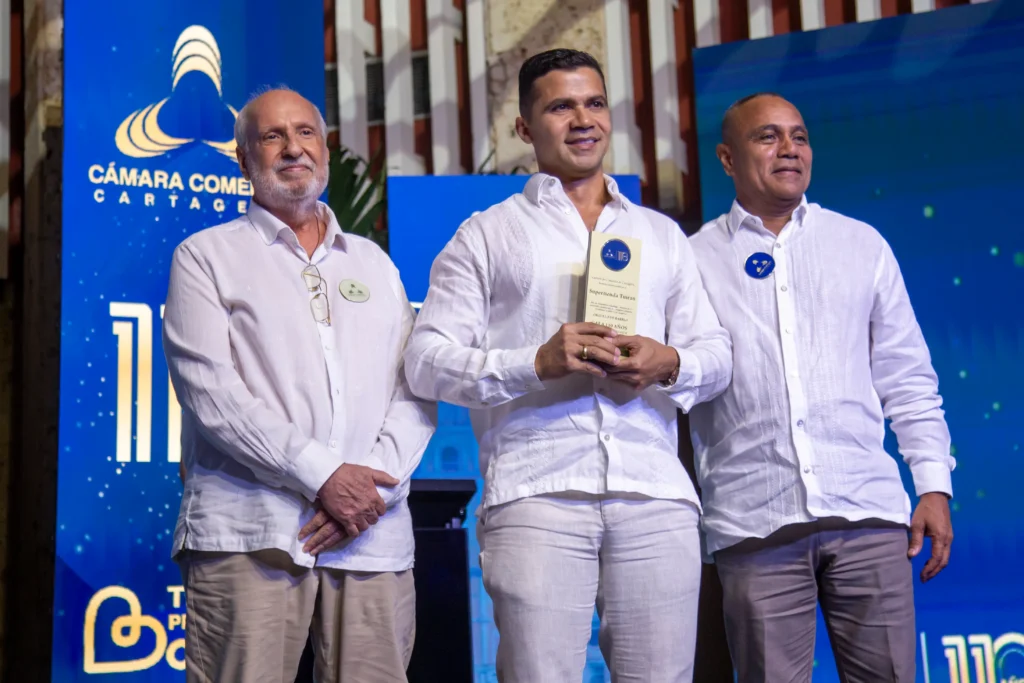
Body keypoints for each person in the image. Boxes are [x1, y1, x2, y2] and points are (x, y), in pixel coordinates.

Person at [403, 49, 733, 682]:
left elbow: (716, 356)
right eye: (561, 106)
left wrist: (668, 362)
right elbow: (426, 361)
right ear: (525, 128)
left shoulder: (661, 235)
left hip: (654, 493)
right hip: (537, 493)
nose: (584, 120)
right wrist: (537, 362)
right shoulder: (486, 234)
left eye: (595, 103)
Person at [163, 87, 436, 683]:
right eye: (272, 136)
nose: (293, 148)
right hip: (250, 531)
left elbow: (415, 386)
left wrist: (371, 491)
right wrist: (324, 477)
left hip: (372, 537)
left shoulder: (374, 263)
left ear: (326, 150)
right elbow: (211, 394)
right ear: (244, 160)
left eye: (306, 133)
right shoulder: (205, 256)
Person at [688, 92, 956, 682]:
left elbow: (908, 376)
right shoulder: (692, 259)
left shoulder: (860, 244)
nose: (789, 149)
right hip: (754, 522)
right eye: (768, 136)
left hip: (867, 513)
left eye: (800, 136)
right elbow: (678, 381)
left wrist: (933, 485)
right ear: (727, 159)